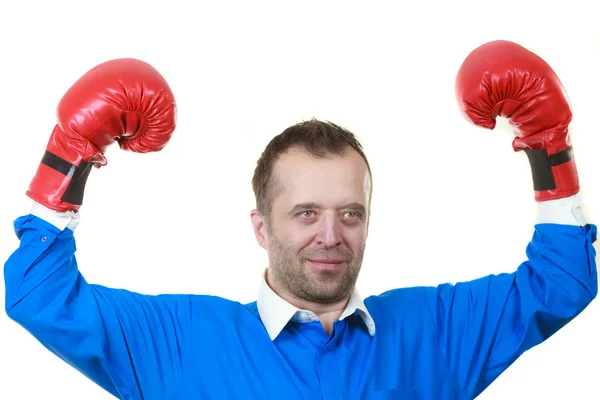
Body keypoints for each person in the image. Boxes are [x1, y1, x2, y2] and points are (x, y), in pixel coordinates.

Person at [4, 40, 597, 400]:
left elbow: (563, 283)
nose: (331, 236)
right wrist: (71, 153)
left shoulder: (434, 330)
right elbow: (36, 295)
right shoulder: (181, 340)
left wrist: (549, 145)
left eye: (351, 213)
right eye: (306, 213)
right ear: (261, 227)